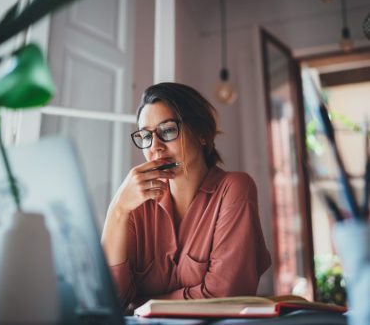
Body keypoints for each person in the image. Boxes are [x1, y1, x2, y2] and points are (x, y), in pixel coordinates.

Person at [101, 82, 271, 310]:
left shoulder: (234, 189)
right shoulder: (135, 204)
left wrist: (142, 303)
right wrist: (118, 209)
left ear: (201, 133)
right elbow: (109, 301)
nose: (156, 147)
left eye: (168, 130)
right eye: (146, 136)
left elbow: (224, 297)